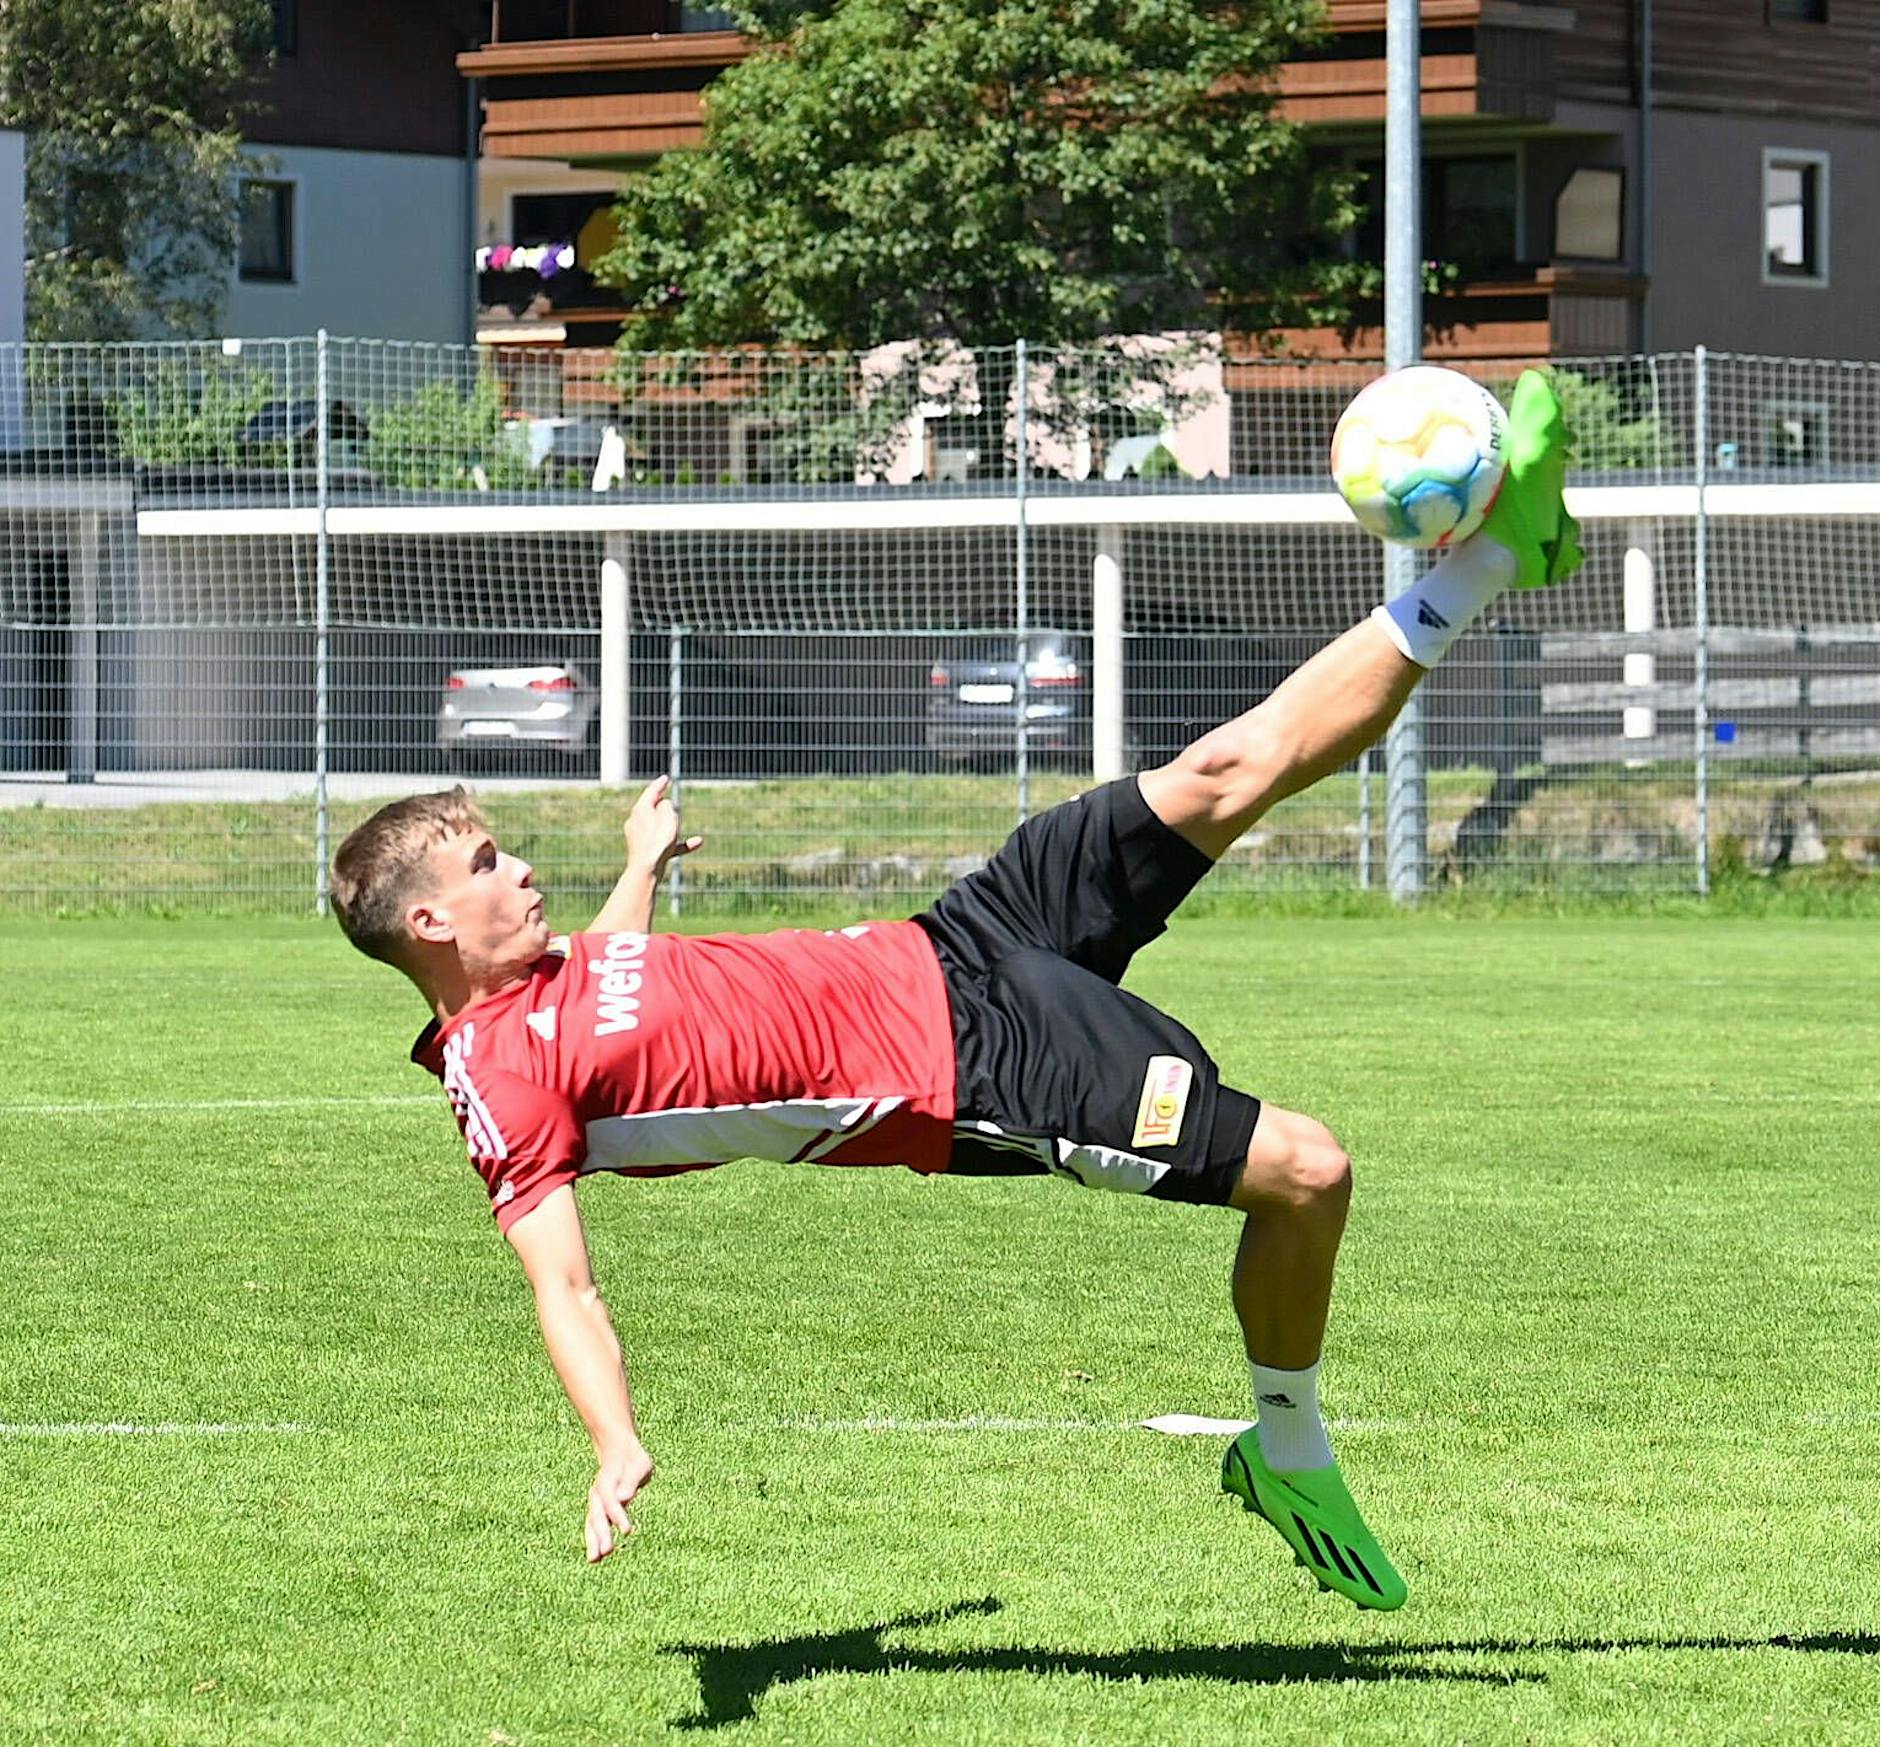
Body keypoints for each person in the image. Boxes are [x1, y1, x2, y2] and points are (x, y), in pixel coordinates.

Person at [331, 372, 1581, 1610]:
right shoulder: (498, 1079)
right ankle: (1287, 1445)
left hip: (961, 935)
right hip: (974, 1072)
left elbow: (615, 979)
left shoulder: (554, 971)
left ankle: (1482, 562)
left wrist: (639, 868)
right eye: (490, 861)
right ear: (431, 920)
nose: (520, 864)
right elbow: (563, 1281)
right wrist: (611, 1436)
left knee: (1216, 769)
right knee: (1308, 1172)